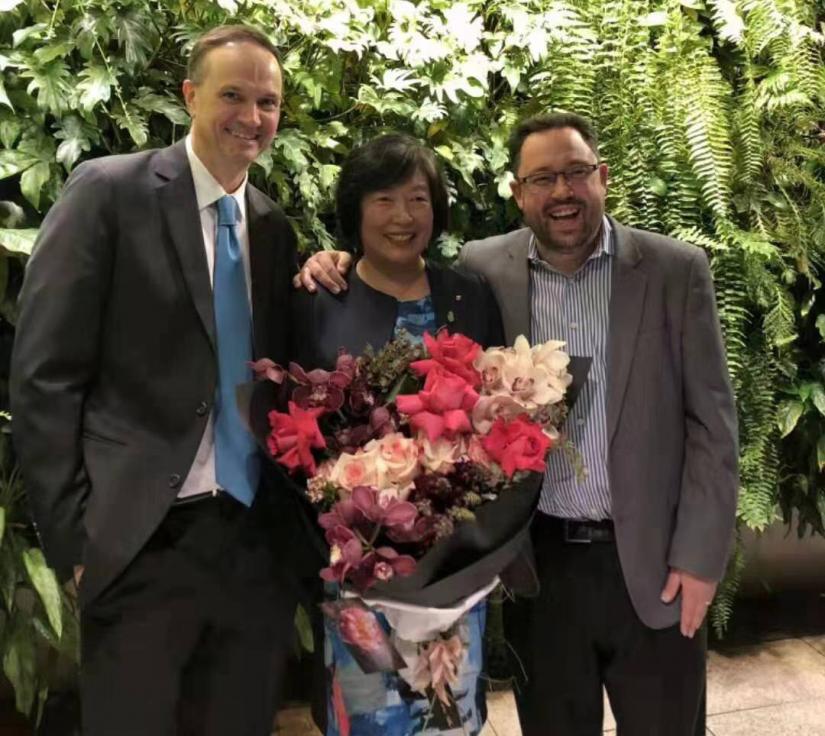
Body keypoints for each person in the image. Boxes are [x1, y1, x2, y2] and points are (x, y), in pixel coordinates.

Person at [296, 112, 739, 736]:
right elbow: (389, 278)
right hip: (537, 566)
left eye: (576, 173)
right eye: (542, 179)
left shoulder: (674, 270)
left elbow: (713, 425)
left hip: (654, 563)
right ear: (517, 193)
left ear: (603, 178)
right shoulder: (486, 271)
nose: (562, 192)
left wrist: (700, 559)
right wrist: (330, 260)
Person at [11, 25, 300, 736]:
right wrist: (77, 546)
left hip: (250, 544)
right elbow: (44, 377)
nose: (251, 116)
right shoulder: (109, 192)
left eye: (267, 101)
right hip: (139, 539)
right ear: (189, 95)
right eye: (232, 94)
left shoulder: (271, 228)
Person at [291, 133, 504, 736]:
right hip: (358, 568)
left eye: (418, 198)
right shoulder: (320, 297)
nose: (403, 217)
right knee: (370, 717)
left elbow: (499, 415)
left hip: (453, 564)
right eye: (384, 199)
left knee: (451, 712)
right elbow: (297, 428)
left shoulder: (468, 293)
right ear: (356, 208)